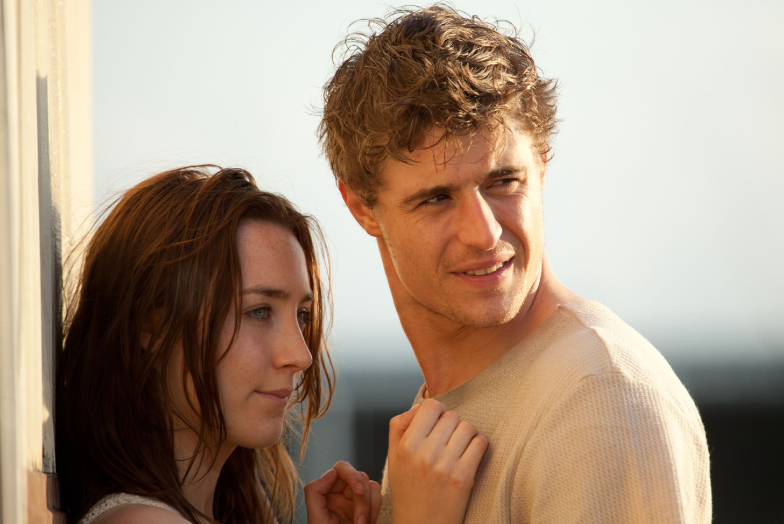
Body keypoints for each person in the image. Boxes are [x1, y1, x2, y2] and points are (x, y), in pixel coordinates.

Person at [318, 5, 713, 523]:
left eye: (503, 182)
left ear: (542, 161)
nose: (484, 233)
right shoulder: (455, 414)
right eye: (436, 199)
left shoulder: (599, 397)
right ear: (362, 208)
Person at [57, 166, 486, 524]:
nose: (299, 355)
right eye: (259, 311)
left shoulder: (227, 509)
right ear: (151, 326)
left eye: (302, 316)